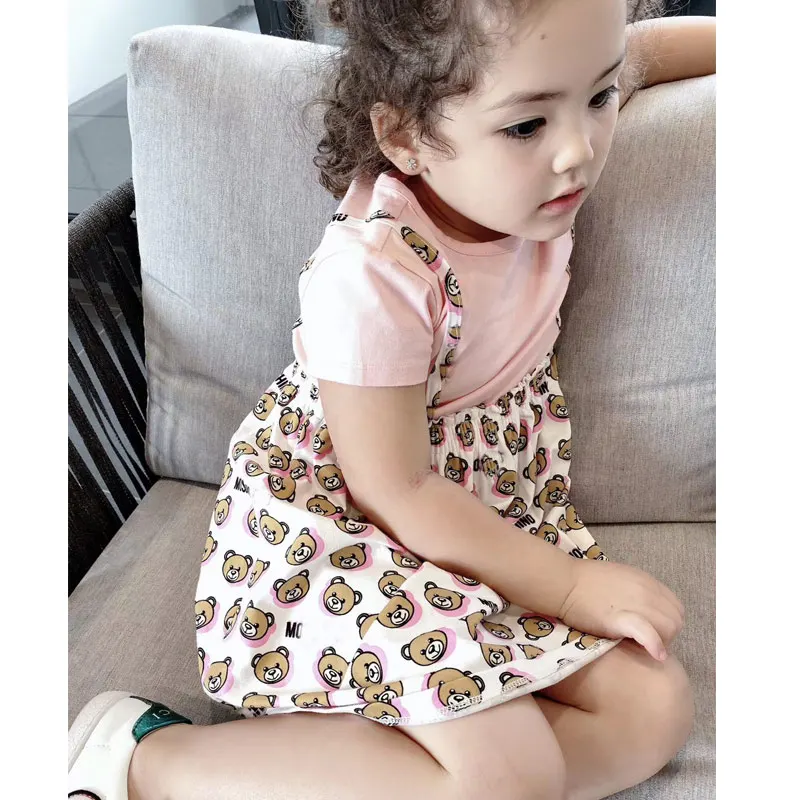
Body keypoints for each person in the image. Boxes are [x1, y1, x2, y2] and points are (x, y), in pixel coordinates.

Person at [68, 2, 715, 798]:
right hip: (350, 530)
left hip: (478, 524)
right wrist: (572, 589)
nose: (579, 150)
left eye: (600, 98)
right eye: (525, 127)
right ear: (404, 135)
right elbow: (395, 488)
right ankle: (144, 758)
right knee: (511, 772)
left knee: (653, 708)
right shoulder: (376, 275)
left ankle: (412, 765)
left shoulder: (545, 108)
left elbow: (638, 48)